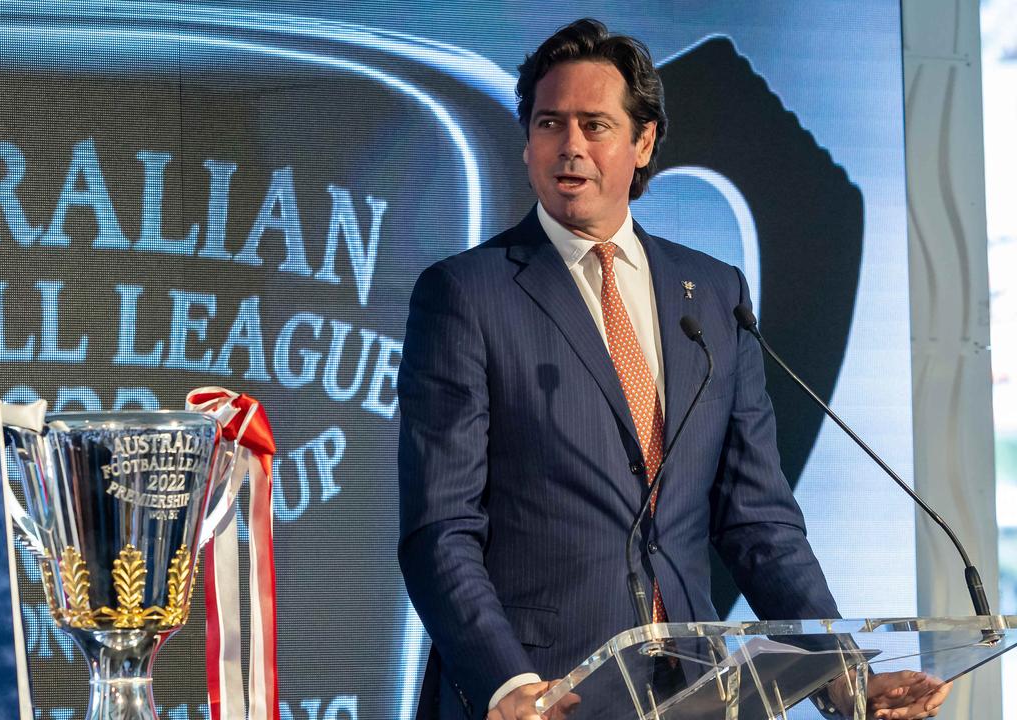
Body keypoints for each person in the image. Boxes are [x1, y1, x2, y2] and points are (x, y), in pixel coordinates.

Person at [397, 18, 951, 720]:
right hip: (545, 696)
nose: (570, 145)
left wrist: (842, 676)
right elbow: (439, 529)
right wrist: (509, 684)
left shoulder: (715, 296)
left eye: (595, 124)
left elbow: (759, 525)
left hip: (694, 696)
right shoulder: (466, 295)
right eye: (548, 123)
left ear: (644, 140)